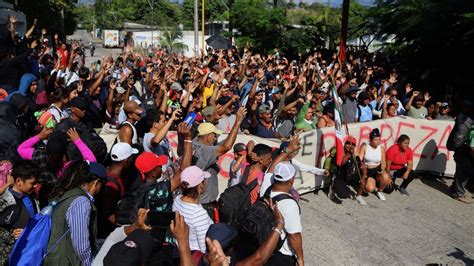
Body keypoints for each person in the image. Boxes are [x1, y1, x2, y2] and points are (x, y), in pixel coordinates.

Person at [44, 161, 107, 266]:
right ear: (96, 182)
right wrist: (90, 263)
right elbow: (81, 245)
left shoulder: (67, 194)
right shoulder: (82, 202)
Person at [193, 107, 246, 209]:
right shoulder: (205, 150)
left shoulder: (195, 143)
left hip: (200, 201)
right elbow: (226, 146)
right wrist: (237, 122)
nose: (216, 138)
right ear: (208, 136)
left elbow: (223, 144)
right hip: (203, 204)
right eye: (214, 135)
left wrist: (212, 120)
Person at [262, 162, 304, 266]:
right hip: (281, 254)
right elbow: (294, 235)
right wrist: (300, 258)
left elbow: (270, 169)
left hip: (264, 245)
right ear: (291, 180)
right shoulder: (289, 204)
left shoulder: (266, 188)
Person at [96, 142, 138, 239]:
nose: (132, 161)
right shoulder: (112, 186)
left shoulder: (108, 171)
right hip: (106, 234)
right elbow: (109, 215)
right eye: (131, 158)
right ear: (126, 161)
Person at [0, 160, 39, 265]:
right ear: (19, 181)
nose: (35, 186)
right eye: (32, 183)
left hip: (26, 255)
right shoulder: (5, 201)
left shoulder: (32, 197)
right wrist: (11, 235)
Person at [172, 166, 214, 254]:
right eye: (203, 180)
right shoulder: (199, 213)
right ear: (200, 185)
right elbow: (204, 247)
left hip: (178, 249)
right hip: (193, 255)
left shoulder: (177, 199)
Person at [449, 100, 474, 203]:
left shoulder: (463, 118)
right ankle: (458, 193)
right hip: (464, 149)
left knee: (460, 170)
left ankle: (454, 188)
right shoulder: (466, 120)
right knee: (463, 171)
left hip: (460, 148)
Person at [358, 129, 393, 201]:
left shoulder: (381, 148)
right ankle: (372, 185)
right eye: (376, 140)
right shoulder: (365, 146)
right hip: (368, 170)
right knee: (369, 188)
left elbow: (383, 162)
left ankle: (379, 191)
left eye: (379, 139)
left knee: (386, 177)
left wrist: (382, 170)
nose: (378, 141)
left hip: (377, 169)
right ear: (370, 140)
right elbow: (360, 160)